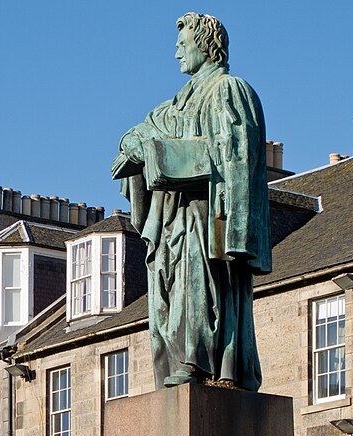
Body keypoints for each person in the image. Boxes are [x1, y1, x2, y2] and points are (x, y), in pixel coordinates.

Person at [112, 12, 271, 391]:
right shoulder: (177, 103)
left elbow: (234, 155)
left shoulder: (230, 90)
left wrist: (160, 152)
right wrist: (141, 147)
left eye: (182, 45)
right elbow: (131, 138)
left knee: (197, 286)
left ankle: (201, 362)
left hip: (209, 214)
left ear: (205, 45)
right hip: (171, 219)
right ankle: (181, 362)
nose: (176, 54)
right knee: (168, 297)